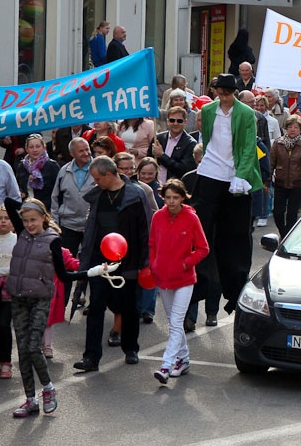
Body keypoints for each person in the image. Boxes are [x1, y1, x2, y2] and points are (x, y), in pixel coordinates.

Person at [4, 197, 115, 417]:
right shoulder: (22, 232)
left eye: (33, 220)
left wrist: (93, 272)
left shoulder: (53, 240)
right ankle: (30, 400)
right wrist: (30, 204)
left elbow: (64, 276)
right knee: (24, 352)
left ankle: (48, 388)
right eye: (25, 220)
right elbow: (8, 202)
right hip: (18, 299)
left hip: (40, 300)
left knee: (33, 347)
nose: (29, 225)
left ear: (44, 218)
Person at [189, 73, 262, 320]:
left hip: (235, 176)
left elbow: (247, 146)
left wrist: (240, 175)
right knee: (199, 227)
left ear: (234, 93)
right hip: (211, 172)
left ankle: (235, 289)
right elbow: (207, 140)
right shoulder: (209, 110)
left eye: (227, 93)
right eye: (220, 92)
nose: (223, 97)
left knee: (235, 236)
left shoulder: (245, 113)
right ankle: (194, 282)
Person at [73, 156, 150, 372]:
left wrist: (145, 262)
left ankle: (131, 348)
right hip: (99, 262)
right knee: (96, 307)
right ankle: (91, 358)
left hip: (128, 262)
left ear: (109, 174)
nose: (95, 182)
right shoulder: (97, 196)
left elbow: (146, 230)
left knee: (129, 307)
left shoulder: (136, 194)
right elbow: (90, 229)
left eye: (97, 178)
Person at [148, 179, 209, 384]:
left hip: (184, 279)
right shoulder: (158, 216)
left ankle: (166, 365)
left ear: (183, 197)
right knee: (173, 323)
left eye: (175, 197)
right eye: (168, 198)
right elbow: (152, 244)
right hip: (163, 278)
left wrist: (186, 263)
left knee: (175, 322)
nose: (171, 202)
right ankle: (183, 360)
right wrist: (154, 264)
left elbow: (203, 248)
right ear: (163, 198)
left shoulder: (191, 219)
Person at [50, 137, 93, 305]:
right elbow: (56, 199)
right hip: (68, 226)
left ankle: (81, 294)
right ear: (72, 153)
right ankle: (62, 303)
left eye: (87, 149)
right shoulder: (64, 171)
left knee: (88, 265)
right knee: (66, 266)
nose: (86, 153)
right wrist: (54, 223)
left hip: (90, 227)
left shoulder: (98, 169)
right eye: (81, 151)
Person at [269, 115, 301, 236]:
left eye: (296, 127)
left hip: (297, 184)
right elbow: (272, 162)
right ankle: (283, 232)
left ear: (300, 129)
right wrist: (267, 181)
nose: (292, 129)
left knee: (292, 214)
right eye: (290, 127)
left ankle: (288, 236)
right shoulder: (278, 143)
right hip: (280, 182)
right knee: (278, 212)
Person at [151, 106, 198, 184]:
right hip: (156, 185)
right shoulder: (158, 139)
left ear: (185, 122)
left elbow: (183, 169)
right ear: (167, 121)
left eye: (179, 121)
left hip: (176, 187)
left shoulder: (190, 143)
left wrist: (162, 156)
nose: (175, 123)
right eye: (172, 120)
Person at [15, 134, 60, 211]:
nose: (35, 150)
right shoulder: (21, 166)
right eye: (31, 147)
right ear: (26, 149)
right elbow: (18, 186)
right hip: (26, 208)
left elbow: (58, 190)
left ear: (44, 148)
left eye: (38, 146)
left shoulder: (52, 166)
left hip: (46, 209)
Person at [0, 206, 16, 379]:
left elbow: (16, 267)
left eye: (7, 218)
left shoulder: (17, 240)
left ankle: (5, 361)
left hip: (9, 291)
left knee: (3, 325)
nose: (3, 221)